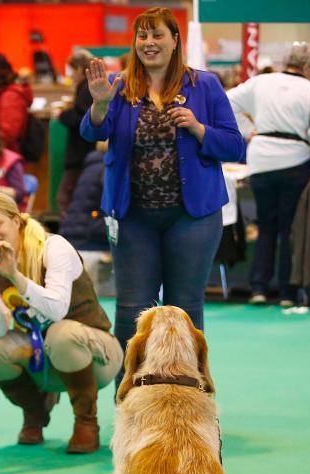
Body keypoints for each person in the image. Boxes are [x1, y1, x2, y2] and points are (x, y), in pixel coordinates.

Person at [80, 7, 244, 379]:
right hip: (132, 217)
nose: (149, 43)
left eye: (157, 36)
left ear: (175, 41)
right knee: (131, 310)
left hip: (193, 217)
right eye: (143, 36)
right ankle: (129, 402)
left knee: (184, 310)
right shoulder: (119, 87)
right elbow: (91, 134)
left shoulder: (205, 86)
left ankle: (187, 394)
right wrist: (100, 103)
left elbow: (235, 146)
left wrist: (200, 129)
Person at [0, 191, 122, 453]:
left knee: (61, 334)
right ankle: (35, 413)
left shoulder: (54, 247)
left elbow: (56, 309)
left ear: (16, 221)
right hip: (42, 357)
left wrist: (15, 277)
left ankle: (86, 421)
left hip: (97, 357)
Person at [227, 43, 310, 307]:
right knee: (289, 229)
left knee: (265, 226)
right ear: (307, 68)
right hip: (296, 161)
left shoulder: (260, 81)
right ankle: (287, 292)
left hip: (261, 160)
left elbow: (227, 102)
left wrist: (249, 130)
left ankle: (259, 288)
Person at [55, 49, 96, 215]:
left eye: (72, 70)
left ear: (79, 68)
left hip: (80, 153)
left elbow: (82, 118)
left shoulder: (85, 88)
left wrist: (62, 115)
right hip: (85, 152)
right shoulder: (90, 86)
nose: (70, 75)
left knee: (66, 197)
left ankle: (71, 230)